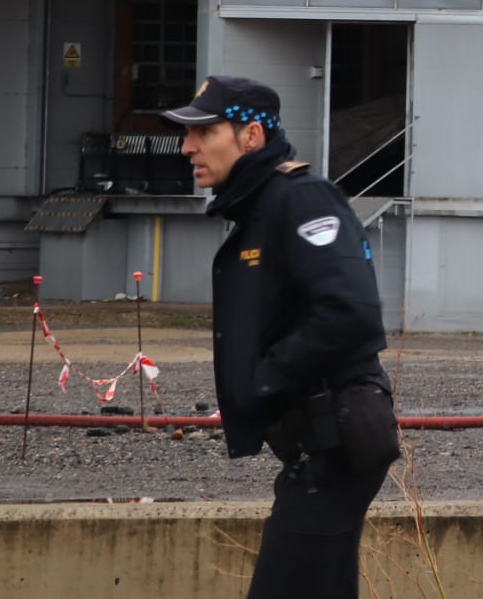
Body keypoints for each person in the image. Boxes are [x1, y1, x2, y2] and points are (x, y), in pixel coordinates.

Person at [171, 75, 400, 598]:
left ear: (251, 136)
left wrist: (262, 382)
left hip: (336, 445)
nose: (187, 146)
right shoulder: (259, 207)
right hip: (313, 449)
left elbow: (350, 312)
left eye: (204, 132)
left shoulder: (302, 199)